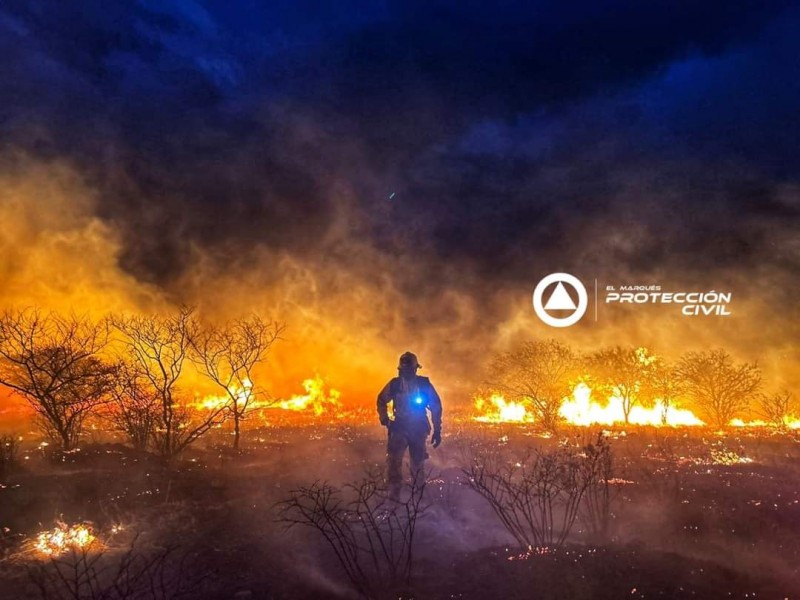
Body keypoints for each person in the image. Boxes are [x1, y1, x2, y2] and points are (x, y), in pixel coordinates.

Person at [376, 352, 442, 497]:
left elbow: (436, 406)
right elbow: (381, 399)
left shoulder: (424, 385)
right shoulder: (394, 384)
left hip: (418, 427)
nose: (406, 373)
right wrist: (385, 419)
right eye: (404, 371)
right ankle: (394, 495)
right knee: (393, 461)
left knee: (417, 465)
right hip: (399, 427)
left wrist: (437, 430)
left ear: (415, 369)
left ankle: (418, 498)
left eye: (409, 370)